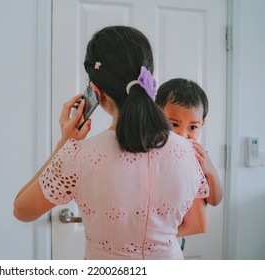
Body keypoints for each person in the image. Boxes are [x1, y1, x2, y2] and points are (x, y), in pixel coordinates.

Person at [13, 26, 209, 260]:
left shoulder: (78, 156)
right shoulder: (190, 152)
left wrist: (64, 143)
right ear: (150, 78)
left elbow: (22, 210)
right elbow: (199, 220)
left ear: (96, 90)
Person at [155, 78, 224, 207]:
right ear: (157, 117)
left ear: (201, 124)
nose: (182, 134)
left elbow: (215, 200)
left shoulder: (198, 155)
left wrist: (210, 170)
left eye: (192, 127)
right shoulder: (151, 149)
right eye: (174, 124)